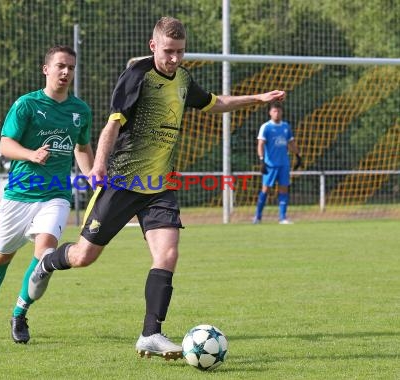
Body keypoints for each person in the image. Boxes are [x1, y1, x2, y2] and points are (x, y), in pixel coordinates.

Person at [28, 16, 286, 359]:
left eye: (180, 51)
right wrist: (100, 163)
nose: (175, 58)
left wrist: (256, 98)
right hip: (122, 181)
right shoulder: (137, 75)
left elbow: (213, 103)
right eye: (169, 51)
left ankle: (151, 333)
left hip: (161, 185)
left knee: (168, 253)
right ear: (153, 47)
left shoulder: (183, 79)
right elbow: (112, 125)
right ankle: (48, 262)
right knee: (84, 257)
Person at [0, 45, 94, 343]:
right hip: (19, 194)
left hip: (55, 195)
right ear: (46, 69)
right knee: (2, 256)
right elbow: (5, 146)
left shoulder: (80, 110)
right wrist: (30, 154)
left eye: (71, 67)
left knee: (44, 254)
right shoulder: (26, 105)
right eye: (60, 66)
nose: (66, 72)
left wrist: (93, 176)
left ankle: (19, 313)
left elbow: (81, 147)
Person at [253, 102, 301, 224]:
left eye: (278, 111)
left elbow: (291, 143)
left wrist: (298, 156)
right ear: (270, 112)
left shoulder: (286, 126)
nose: (277, 113)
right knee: (265, 190)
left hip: (284, 164)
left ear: (282, 112)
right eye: (274, 111)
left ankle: (282, 217)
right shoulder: (266, 127)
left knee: (284, 189)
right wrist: (262, 160)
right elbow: (260, 144)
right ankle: (257, 217)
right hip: (270, 165)